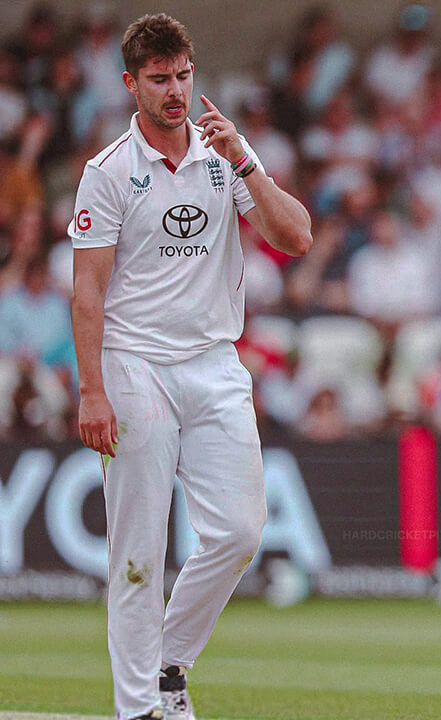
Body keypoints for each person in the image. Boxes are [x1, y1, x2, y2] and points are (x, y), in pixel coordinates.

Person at [68, 14, 312, 720]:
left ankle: (170, 661)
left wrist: (243, 160)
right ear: (130, 84)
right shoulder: (108, 172)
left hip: (213, 362)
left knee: (240, 530)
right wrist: (91, 391)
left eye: (182, 76)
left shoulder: (222, 152)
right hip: (133, 361)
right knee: (139, 552)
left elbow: (295, 236)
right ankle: (138, 706)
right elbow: (87, 291)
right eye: (159, 80)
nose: (175, 92)